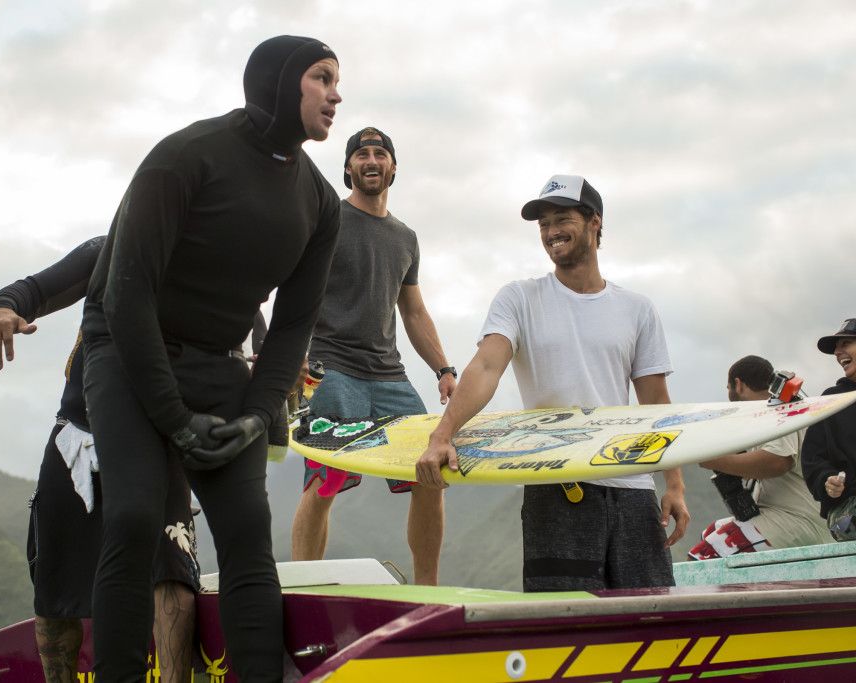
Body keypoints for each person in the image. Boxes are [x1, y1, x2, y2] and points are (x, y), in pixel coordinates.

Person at [80, 35, 342, 682]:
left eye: (338, 81)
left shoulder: (319, 202)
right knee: (136, 515)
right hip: (128, 347)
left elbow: (293, 324)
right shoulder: (186, 157)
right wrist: (172, 417)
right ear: (281, 83)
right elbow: (125, 292)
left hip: (223, 366)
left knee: (248, 531)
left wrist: (257, 415)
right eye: (322, 78)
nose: (336, 94)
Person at [416, 174, 689, 591]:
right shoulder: (520, 299)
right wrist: (443, 434)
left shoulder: (637, 309)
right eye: (543, 224)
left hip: (632, 484)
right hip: (556, 484)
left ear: (594, 222)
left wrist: (674, 484)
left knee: (651, 619)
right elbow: (487, 366)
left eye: (562, 219)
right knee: (566, 626)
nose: (551, 232)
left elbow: (655, 402)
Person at [0, 236, 199, 683]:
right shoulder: (108, 251)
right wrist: (1, 308)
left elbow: (254, 335)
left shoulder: (211, 264)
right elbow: (34, 290)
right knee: (53, 597)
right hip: (77, 436)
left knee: (171, 577)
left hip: (160, 438)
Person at [290, 127, 456, 586]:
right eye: (361, 153)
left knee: (431, 474)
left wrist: (443, 368)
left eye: (379, 153)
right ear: (348, 167)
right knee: (325, 482)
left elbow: (414, 310)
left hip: (389, 377)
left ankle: (427, 592)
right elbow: (297, 291)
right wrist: (292, 359)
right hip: (332, 370)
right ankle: (305, 587)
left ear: (392, 167)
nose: (370, 160)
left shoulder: (405, 238)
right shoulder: (328, 222)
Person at [689, 355, 833, 560]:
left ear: (737, 385)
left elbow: (778, 461)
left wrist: (711, 459)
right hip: (785, 516)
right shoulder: (769, 413)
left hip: (796, 519)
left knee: (702, 557)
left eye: (728, 387)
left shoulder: (781, 409)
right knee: (710, 532)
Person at [802, 318, 856, 541]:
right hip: (848, 507)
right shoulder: (831, 400)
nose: (837, 352)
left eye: (845, 343)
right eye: (836, 347)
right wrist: (828, 481)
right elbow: (812, 461)